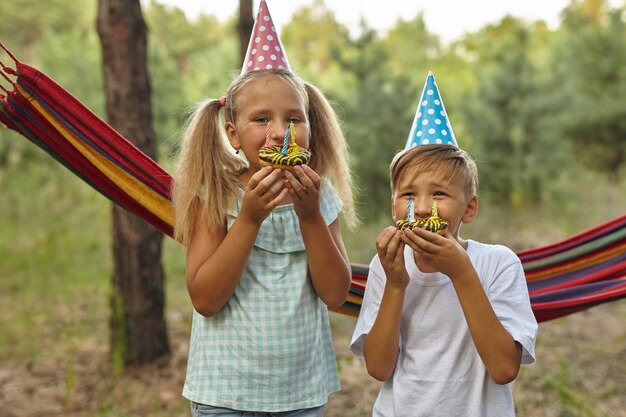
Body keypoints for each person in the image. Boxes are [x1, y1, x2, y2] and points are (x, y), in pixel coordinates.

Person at [171, 2, 356, 416]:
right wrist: (251, 217)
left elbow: (335, 292)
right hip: (226, 393)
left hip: (300, 393)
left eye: (294, 118)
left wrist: (310, 218)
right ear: (233, 134)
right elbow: (204, 298)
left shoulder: (319, 197)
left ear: (310, 127)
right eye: (261, 119)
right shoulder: (215, 193)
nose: (280, 133)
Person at [350, 73, 538, 417]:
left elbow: (504, 369)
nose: (422, 208)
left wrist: (462, 273)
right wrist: (395, 285)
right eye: (408, 194)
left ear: (469, 208)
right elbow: (378, 368)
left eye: (439, 193)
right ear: (394, 207)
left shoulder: (498, 264)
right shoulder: (387, 266)